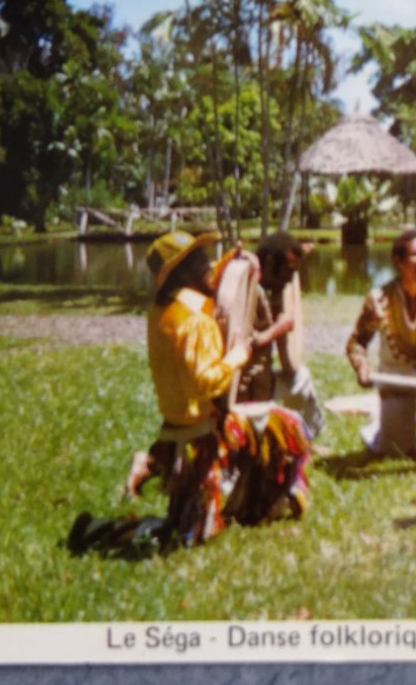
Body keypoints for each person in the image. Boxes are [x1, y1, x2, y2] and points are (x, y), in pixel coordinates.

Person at [121, 229, 312, 547]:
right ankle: (280, 495)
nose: (209, 266)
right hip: (203, 429)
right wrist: (235, 358)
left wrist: (233, 261)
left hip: (176, 422)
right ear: (184, 273)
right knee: (290, 425)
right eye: (200, 261)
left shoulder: (162, 312)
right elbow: (204, 382)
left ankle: (246, 495)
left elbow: (212, 288)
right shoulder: (194, 321)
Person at [346, 229, 416, 457]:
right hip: (394, 377)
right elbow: (357, 342)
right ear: (397, 261)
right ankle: (382, 425)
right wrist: (362, 368)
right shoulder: (378, 299)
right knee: (398, 451)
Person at [235, 232, 325, 440]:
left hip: (262, 381)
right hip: (246, 390)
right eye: (287, 270)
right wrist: (280, 327)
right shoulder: (246, 290)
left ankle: (307, 439)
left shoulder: (270, 287)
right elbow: (245, 344)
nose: (289, 278)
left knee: (301, 377)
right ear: (268, 262)